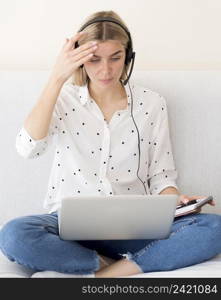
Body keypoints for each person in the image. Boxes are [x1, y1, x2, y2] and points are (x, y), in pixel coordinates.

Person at [0, 10, 221, 278]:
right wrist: (57, 77)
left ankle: (106, 273)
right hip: (69, 230)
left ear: (129, 57)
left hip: (136, 227)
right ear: (79, 60)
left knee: (213, 227)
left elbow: (161, 177)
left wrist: (177, 201)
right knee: (14, 235)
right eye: (94, 60)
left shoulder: (152, 104)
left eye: (115, 58)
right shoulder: (62, 99)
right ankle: (106, 262)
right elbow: (28, 147)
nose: (105, 70)